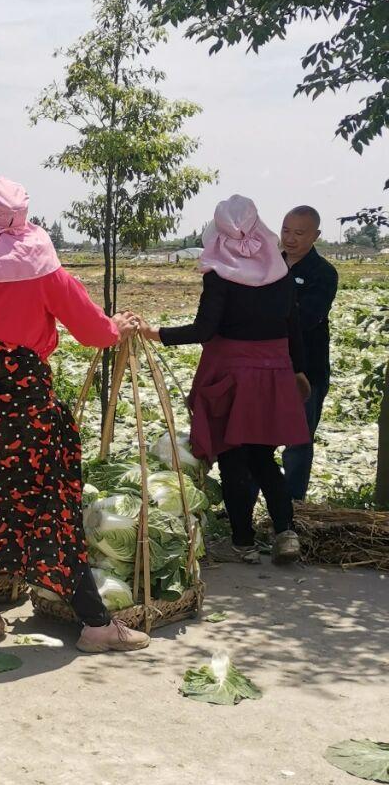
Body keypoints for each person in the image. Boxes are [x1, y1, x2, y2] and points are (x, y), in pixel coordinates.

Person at [0, 177, 149, 653]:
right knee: (48, 509)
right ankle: (95, 624)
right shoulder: (44, 271)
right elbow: (94, 332)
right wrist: (117, 326)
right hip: (26, 413)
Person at [137, 195, 310, 564]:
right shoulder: (278, 269)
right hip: (273, 373)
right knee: (263, 457)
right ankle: (285, 531)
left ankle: (244, 542)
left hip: (232, 374)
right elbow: (293, 326)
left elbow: (205, 329)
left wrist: (157, 333)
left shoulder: (220, 274)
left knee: (233, 458)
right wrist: (298, 370)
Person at [279, 205, 338, 501]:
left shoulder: (323, 273)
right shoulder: (269, 265)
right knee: (255, 438)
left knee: (298, 442)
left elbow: (307, 318)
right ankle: (245, 506)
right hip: (265, 367)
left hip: (305, 371)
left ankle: (292, 507)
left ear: (316, 235)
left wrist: (260, 319)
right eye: (286, 230)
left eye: (299, 233)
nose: (290, 239)